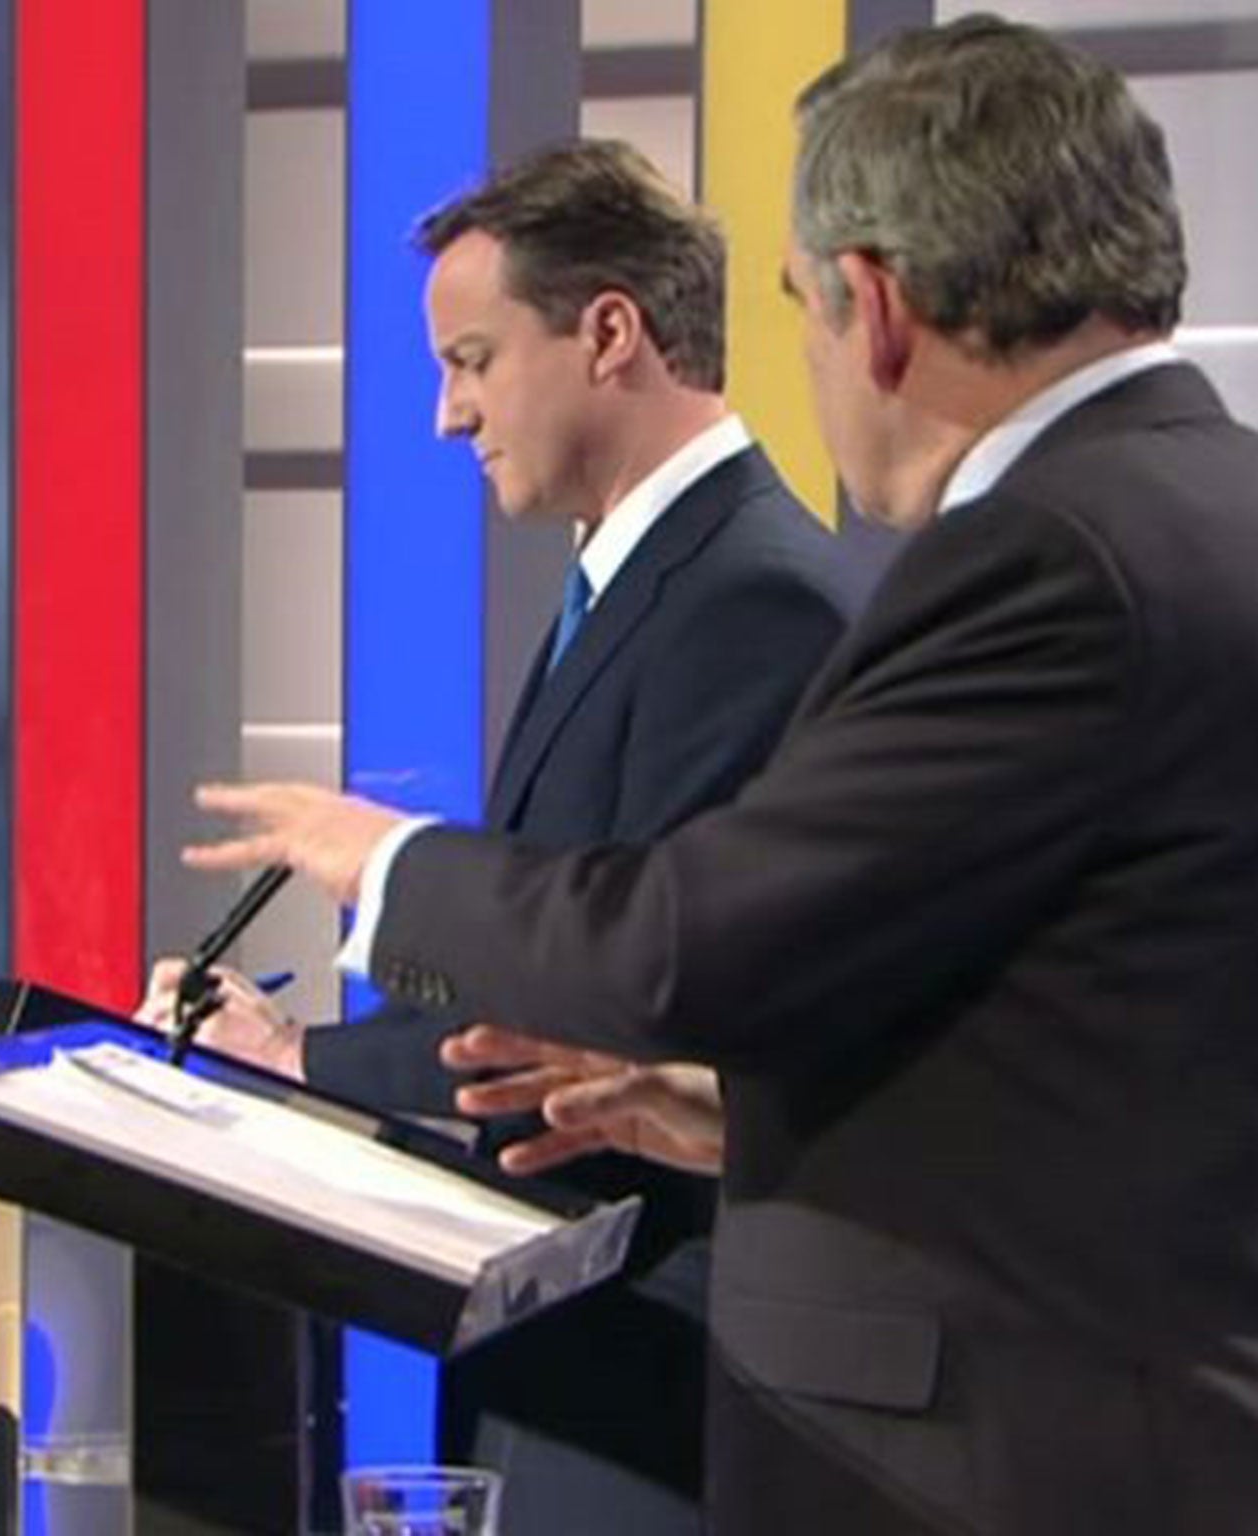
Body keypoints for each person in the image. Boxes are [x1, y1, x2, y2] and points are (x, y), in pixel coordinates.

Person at [184, 16, 1258, 1535]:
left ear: (873, 305)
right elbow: (1080, 1038)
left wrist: (385, 864)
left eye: (807, 320)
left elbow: (688, 937)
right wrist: (736, 1110)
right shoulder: (1210, 504)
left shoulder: (1048, 556)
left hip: (997, 1458)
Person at [143, 141, 854, 1530]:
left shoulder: (748, 601)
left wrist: (306, 1061)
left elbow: (624, 998)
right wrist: (300, 1056)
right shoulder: (648, 575)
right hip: (587, 1362)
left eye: (471, 360)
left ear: (607, 333)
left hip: (662, 1383)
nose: (446, 416)